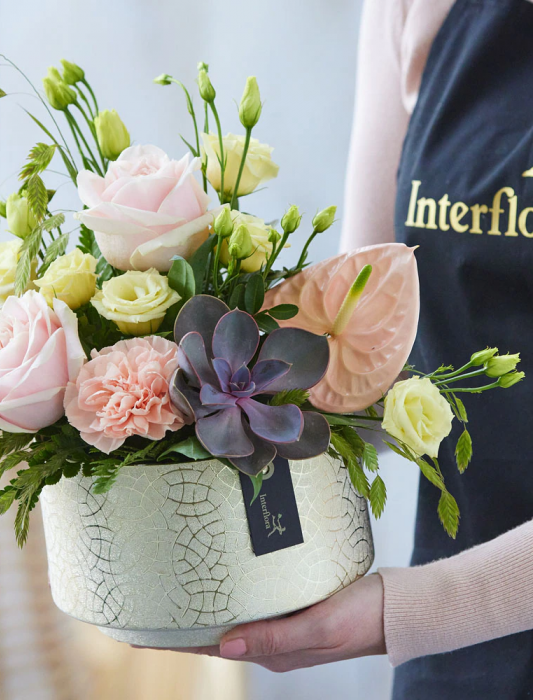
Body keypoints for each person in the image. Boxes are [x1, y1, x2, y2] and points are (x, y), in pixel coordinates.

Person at [162, 1, 533, 697]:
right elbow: (355, 362)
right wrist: (172, 392)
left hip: (438, 611)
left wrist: (401, 612)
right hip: (456, 659)